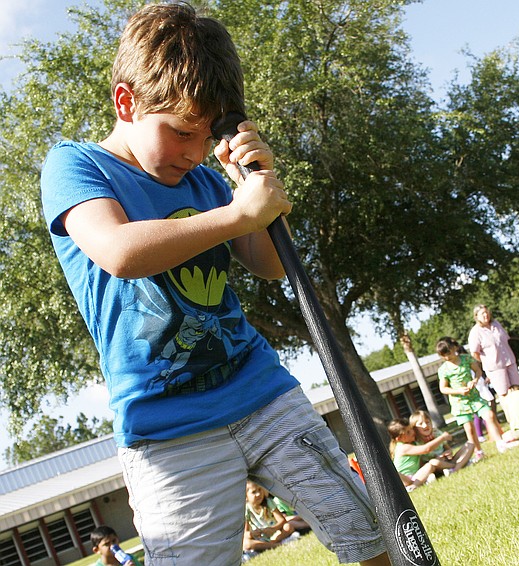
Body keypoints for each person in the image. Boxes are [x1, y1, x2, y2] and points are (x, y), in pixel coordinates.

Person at [39, 5, 388, 565]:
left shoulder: (206, 180)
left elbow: (270, 264)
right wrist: (235, 216)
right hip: (168, 431)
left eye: (207, 135)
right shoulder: (75, 166)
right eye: (180, 132)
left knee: (369, 534)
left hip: (262, 395)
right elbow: (120, 253)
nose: (196, 152)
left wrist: (255, 186)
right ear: (126, 102)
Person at [436, 337, 518, 460]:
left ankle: (500, 443)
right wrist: (458, 391)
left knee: (490, 415)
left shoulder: (466, 358)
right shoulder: (443, 370)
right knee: (469, 428)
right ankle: (478, 452)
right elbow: (443, 389)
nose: (447, 357)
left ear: (454, 348)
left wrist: (474, 381)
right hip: (459, 402)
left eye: (448, 353)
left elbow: (478, 371)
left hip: (474, 396)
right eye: (443, 356)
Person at [467, 304, 519, 397]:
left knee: (518, 389)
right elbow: (474, 353)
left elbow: (506, 339)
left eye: (487, 312)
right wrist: (487, 361)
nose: (486, 315)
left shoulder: (496, 324)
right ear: (476, 317)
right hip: (495, 368)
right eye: (482, 314)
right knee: (504, 393)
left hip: (509, 361)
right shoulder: (475, 332)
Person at [387, 418, 452, 491]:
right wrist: (442, 438)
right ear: (399, 439)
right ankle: (413, 486)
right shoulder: (403, 447)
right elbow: (426, 449)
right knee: (429, 466)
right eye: (408, 432)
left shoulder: (410, 444)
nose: (412, 432)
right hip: (405, 479)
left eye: (411, 429)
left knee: (430, 466)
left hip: (414, 476)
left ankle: (417, 484)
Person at [243, 481, 298, 561]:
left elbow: (282, 521)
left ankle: (270, 545)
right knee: (246, 543)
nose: (258, 494)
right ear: (246, 496)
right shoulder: (246, 509)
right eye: (254, 492)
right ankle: (278, 545)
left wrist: (273, 529)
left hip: (275, 535)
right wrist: (252, 533)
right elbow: (245, 533)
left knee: (288, 527)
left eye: (260, 490)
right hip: (261, 538)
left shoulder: (268, 502)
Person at [409, 409, 474, 475]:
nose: (425, 425)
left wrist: (448, 452)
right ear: (415, 428)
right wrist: (438, 458)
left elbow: (447, 448)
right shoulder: (417, 442)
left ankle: (455, 469)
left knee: (470, 444)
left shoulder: (437, 433)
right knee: (434, 462)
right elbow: (421, 463)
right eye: (420, 424)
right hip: (435, 466)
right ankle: (460, 464)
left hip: (447, 461)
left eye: (427, 422)